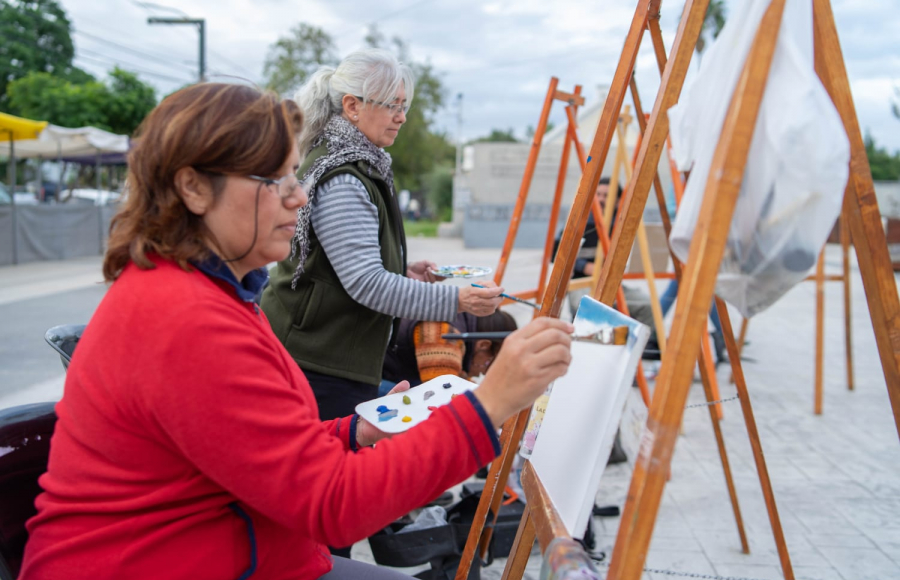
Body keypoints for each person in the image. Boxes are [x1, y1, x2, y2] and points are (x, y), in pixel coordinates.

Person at [19, 83, 574, 580]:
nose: (300, 196)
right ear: (193, 189)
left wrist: (353, 435)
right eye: (274, 179)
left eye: (293, 174)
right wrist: (491, 402)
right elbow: (332, 505)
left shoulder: (214, 292)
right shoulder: (184, 318)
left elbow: (266, 447)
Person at [260, 48, 503, 424]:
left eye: (403, 105)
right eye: (392, 105)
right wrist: (459, 300)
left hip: (325, 355)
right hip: (318, 363)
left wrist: (401, 269)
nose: (402, 117)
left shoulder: (355, 163)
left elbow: (341, 266)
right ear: (352, 106)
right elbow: (366, 283)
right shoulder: (343, 176)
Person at [381, 309, 519, 392]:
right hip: (371, 382)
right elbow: (441, 396)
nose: (480, 374)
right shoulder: (443, 335)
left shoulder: (461, 322)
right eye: (487, 364)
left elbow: (461, 381)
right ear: (483, 345)